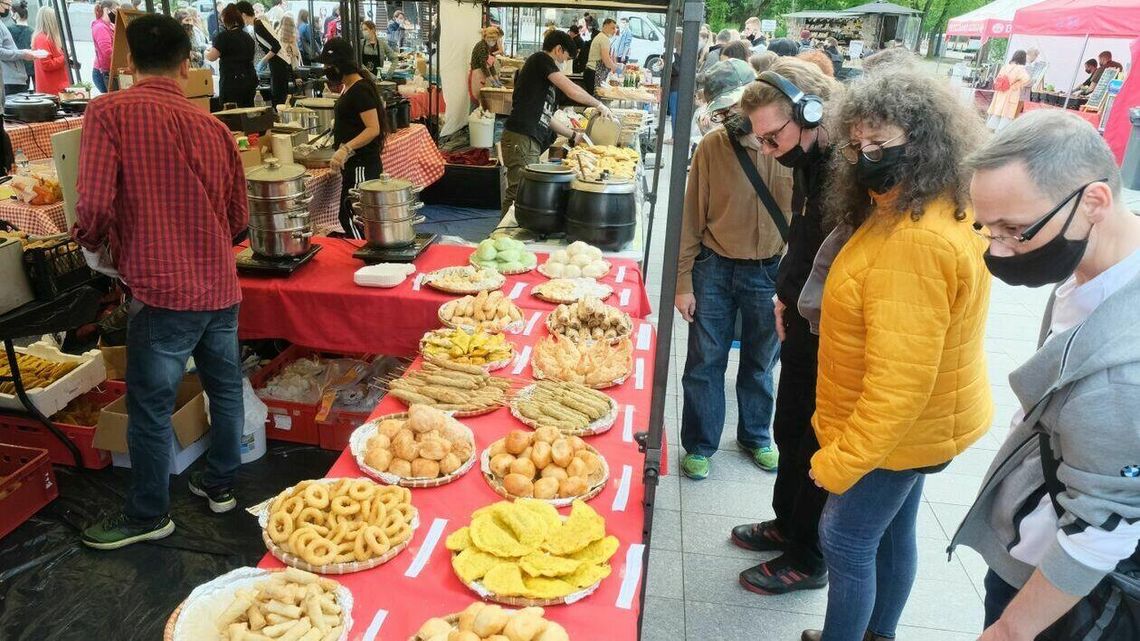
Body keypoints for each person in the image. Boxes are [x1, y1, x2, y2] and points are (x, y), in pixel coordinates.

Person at [796, 69, 991, 641]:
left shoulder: (917, 238)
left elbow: (898, 385)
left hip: (900, 430)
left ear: (925, 140)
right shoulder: (919, 204)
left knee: (845, 538)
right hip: (925, 425)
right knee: (893, 529)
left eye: (880, 144)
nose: (864, 156)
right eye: (856, 145)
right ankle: (879, 633)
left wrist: (840, 461)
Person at [951, 109, 1140, 641]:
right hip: (1032, 540)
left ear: (1094, 202)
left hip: (1060, 594)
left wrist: (1012, 629)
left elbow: (1102, 529)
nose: (998, 250)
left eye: (1016, 229)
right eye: (986, 228)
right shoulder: (1090, 267)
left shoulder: (1123, 372)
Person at [75, 13, 248, 550]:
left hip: (160, 285)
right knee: (225, 387)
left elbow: (94, 205)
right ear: (185, 61)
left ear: (127, 61)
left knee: (150, 405)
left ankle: (149, 513)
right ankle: (220, 484)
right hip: (219, 284)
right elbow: (239, 218)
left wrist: (93, 241)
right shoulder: (214, 127)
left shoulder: (108, 112)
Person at [731, 57, 842, 596]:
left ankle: (807, 556)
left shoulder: (849, 168)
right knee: (790, 426)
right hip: (798, 315)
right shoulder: (806, 158)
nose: (770, 152)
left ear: (810, 111)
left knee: (816, 442)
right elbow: (804, 241)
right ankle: (786, 522)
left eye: (774, 138)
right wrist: (782, 294)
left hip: (834, 333)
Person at [676, 58, 795, 481]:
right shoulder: (713, 146)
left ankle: (756, 435)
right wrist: (682, 282)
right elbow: (691, 217)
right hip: (715, 268)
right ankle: (700, 444)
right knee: (705, 361)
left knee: (762, 361)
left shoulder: (791, 147)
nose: (736, 118)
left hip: (770, 271)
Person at [500, 30, 612, 217]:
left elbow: (546, 116)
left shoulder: (542, 75)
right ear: (558, 49)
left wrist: (574, 135)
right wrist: (598, 104)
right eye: (566, 59)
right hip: (522, 138)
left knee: (524, 191)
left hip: (528, 139)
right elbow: (571, 90)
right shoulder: (541, 60)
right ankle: (502, 236)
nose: (564, 65)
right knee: (518, 192)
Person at [323, 37, 384, 240]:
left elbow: (373, 128)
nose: (326, 69)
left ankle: (367, 253)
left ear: (340, 65)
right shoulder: (349, 87)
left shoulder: (360, 89)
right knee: (349, 213)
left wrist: (346, 148)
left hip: (362, 164)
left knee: (354, 215)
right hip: (354, 164)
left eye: (329, 65)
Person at [237, 0, 290, 107]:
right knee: (278, 96)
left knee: (278, 98)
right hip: (278, 62)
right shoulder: (258, 23)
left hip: (279, 62)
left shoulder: (258, 25)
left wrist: (264, 60)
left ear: (243, 14)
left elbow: (276, 46)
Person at [206, 4, 257, 107]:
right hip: (249, 79)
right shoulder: (248, 37)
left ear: (225, 19)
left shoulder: (224, 37)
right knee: (248, 113)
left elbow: (212, 57)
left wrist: (206, 53)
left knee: (231, 114)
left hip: (232, 81)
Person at [987, 49, 1030, 132]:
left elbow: (998, 78)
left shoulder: (1005, 66)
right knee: (1007, 116)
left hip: (1000, 92)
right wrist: (1016, 85)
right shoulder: (1020, 68)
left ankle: (991, 131)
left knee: (997, 113)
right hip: (1011, 94)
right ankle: (1000, 134)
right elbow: (1026, 79)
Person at [33, 7, 69, 97]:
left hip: (55, 88)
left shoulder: (46, 38)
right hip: (51, 90)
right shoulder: (42, 39)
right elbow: (46, 64)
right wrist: (65, 57)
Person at [469, 26, 502, 111]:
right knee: (475, 100)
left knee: (480, 99)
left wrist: (497, 80)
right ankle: (472, 121)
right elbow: (483, 65)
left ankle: (477, 120)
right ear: (487, 37)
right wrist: (492, 81)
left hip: (481, 76)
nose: (494, 42)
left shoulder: (487, 47)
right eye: (493, 40)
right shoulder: (481, 46)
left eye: (495, 40)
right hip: (475, 76)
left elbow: (490, 65)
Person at [3, 0, 31, 96]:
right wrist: (22, 54)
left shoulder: (7, 28)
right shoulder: (32, 31)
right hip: (14, 77)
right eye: (6, 5)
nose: (6, 8)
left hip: (15, 76)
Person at [585, 18, 618, 94]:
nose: (614, 31)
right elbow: (606, 60)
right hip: (594, 73)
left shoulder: (600, 36)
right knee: (595, 99)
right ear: (605, 26)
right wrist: (615, 68)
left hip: (591, 72)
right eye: (612, 28)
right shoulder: (603, 39)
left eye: (615, 28)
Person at [91, 0, 115, 93]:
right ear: (107, 10)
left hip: (108, 71)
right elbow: (107, 52)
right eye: (115, 10)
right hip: (104, 73)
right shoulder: (100, 27)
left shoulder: (110, 25)